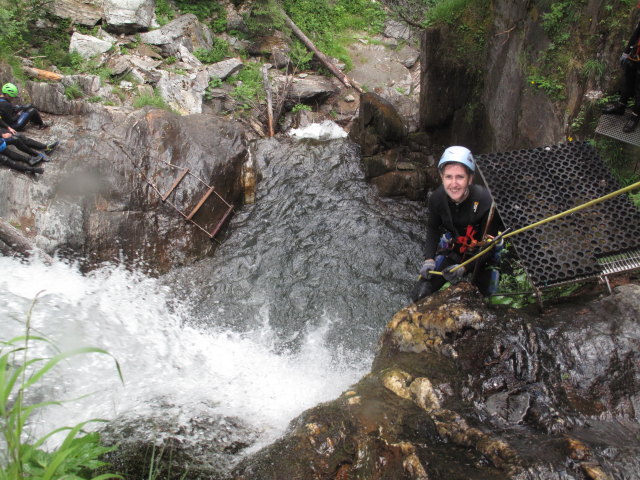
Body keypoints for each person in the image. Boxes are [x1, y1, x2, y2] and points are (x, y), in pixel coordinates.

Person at [411, 146, 502, 303]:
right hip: (456, 249)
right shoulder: (437, 199)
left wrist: (464, 268)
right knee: (420, 295)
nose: (454, 184)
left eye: (460, 177)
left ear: (470, 178)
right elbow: (433, 228)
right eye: (448, 177)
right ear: (441, 177)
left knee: (487, 300)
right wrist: (429, 260)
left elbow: (488, 246)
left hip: (482, 256)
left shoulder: (486, 202)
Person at [602, 18, 640, 133]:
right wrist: (627, 51)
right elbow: (637, 31)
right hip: (636, 53)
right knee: (627, 80)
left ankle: (634, 117)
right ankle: (621, 106)